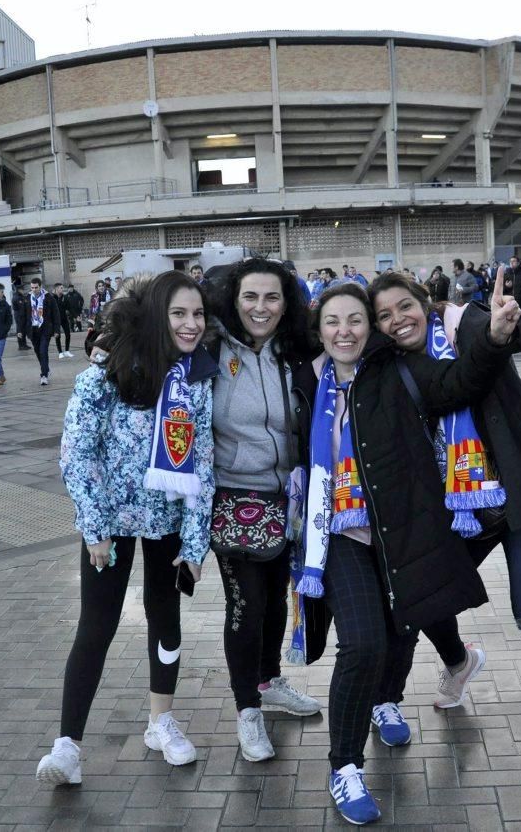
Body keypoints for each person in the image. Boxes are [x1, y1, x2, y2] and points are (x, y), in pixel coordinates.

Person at [292, 280, 521, 825]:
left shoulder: (396, 369)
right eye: (332, 321)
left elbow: (457, 382)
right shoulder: (303, 380)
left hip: (402, 527)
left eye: (354, 320)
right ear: (318, 329)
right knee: (363, 644)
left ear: (368, 328)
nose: (343, 331)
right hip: (338, 533)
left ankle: (384, 700)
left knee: (404, 626)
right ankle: (344, 767)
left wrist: (491, 336)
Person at [369, 249, 521, 755]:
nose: (398, 320)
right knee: (424, 593)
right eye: (385, 315)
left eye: (405, 307)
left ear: (425, 303)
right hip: (462, 507)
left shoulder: (464, 325)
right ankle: (459, 662)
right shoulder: (395, 366)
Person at [36, 271, 216, 786]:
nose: (190, 324)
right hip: (109, 527)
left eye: (198, 314)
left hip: (166, 526)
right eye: (178, 314)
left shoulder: (197, 381)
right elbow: (77, 452)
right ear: (156, 317)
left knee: (165, 619)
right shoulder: (104, 374)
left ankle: (162, 721)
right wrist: (93, 526)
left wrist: (195, 542)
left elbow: (202, 463)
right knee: (97, 624)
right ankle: (67, 745)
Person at [207, 258, 322, 763]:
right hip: (232, 497)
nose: (261, 308)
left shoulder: (297, 351)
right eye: (250, 297)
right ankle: (246, 709)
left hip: (289, 498)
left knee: (278, 600)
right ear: (234, 299)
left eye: (272, 297)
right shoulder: (210, 351)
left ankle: (269, 681)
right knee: (247, 606)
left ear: (286, 302)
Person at [28, 277, 61, 385]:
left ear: (40, 286)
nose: (34, 289)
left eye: (36, 287)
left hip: (45, 329)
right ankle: (45, 368)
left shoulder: (49, 298)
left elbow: (56, 314)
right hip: (33, 329)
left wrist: (56, 330)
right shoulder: (27, 298)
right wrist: (21, 330)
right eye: (32, 287)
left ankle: (44, 375)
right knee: (38, 351)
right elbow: (22, 316)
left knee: (43, 351)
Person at [52, 283, 74, 359]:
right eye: (61, 288)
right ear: (57, 289)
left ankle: (67, 351)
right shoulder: (52, 298)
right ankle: (60, 352)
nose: (62, 289)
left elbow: (70, 308)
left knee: (68, 334)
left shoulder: (64, 297)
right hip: (56, 320)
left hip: (64, 318)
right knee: (58, 336)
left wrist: (76, 316)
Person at [12, 285, 32, 350]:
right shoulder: (16, 297)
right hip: (19, 317)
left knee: (23, 331)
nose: (23, 291)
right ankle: (21, 345)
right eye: (22, 289)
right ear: (19, 290)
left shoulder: (22, 297)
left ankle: (24, 344)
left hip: (23, 316)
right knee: (20, 331)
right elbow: (21, 307)